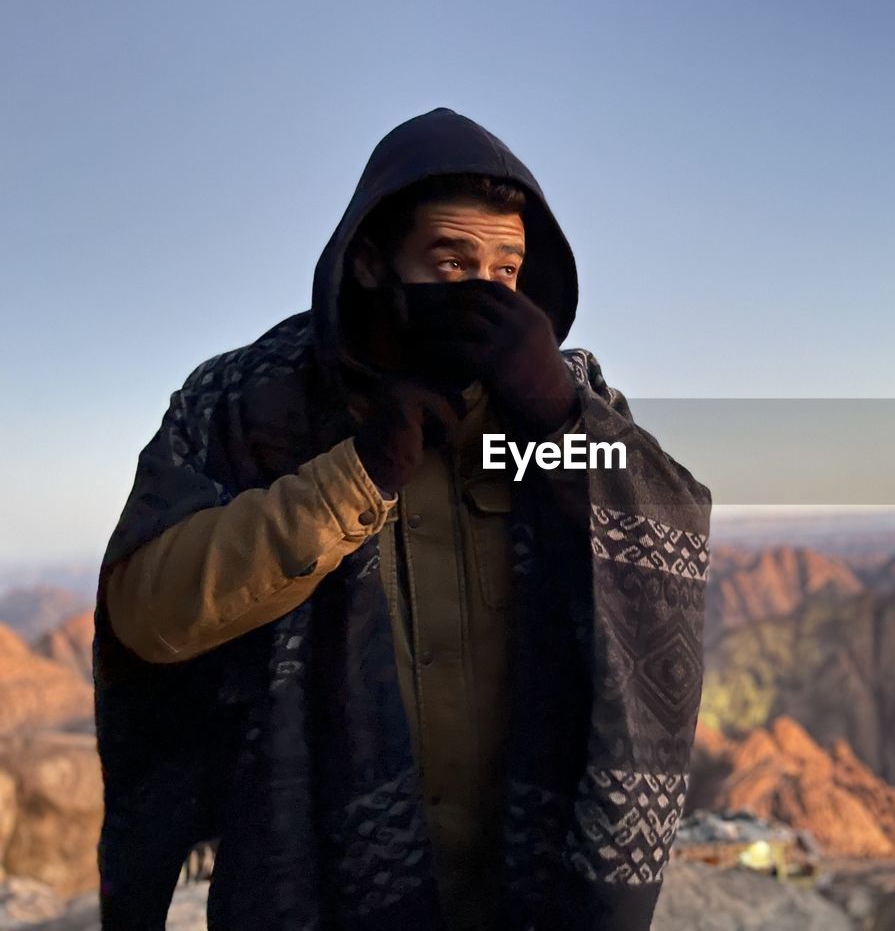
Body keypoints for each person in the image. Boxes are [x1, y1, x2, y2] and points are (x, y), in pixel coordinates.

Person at [93, 107, 712, 931]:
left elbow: (670, 527)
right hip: (312, 885)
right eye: (452, 264)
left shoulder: (561, 408)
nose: (486, 294)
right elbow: (146, 614)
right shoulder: (250, 405)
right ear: (374, 262)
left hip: (524, 891)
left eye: (507, 270)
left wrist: (564, 419)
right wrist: (354, 475)